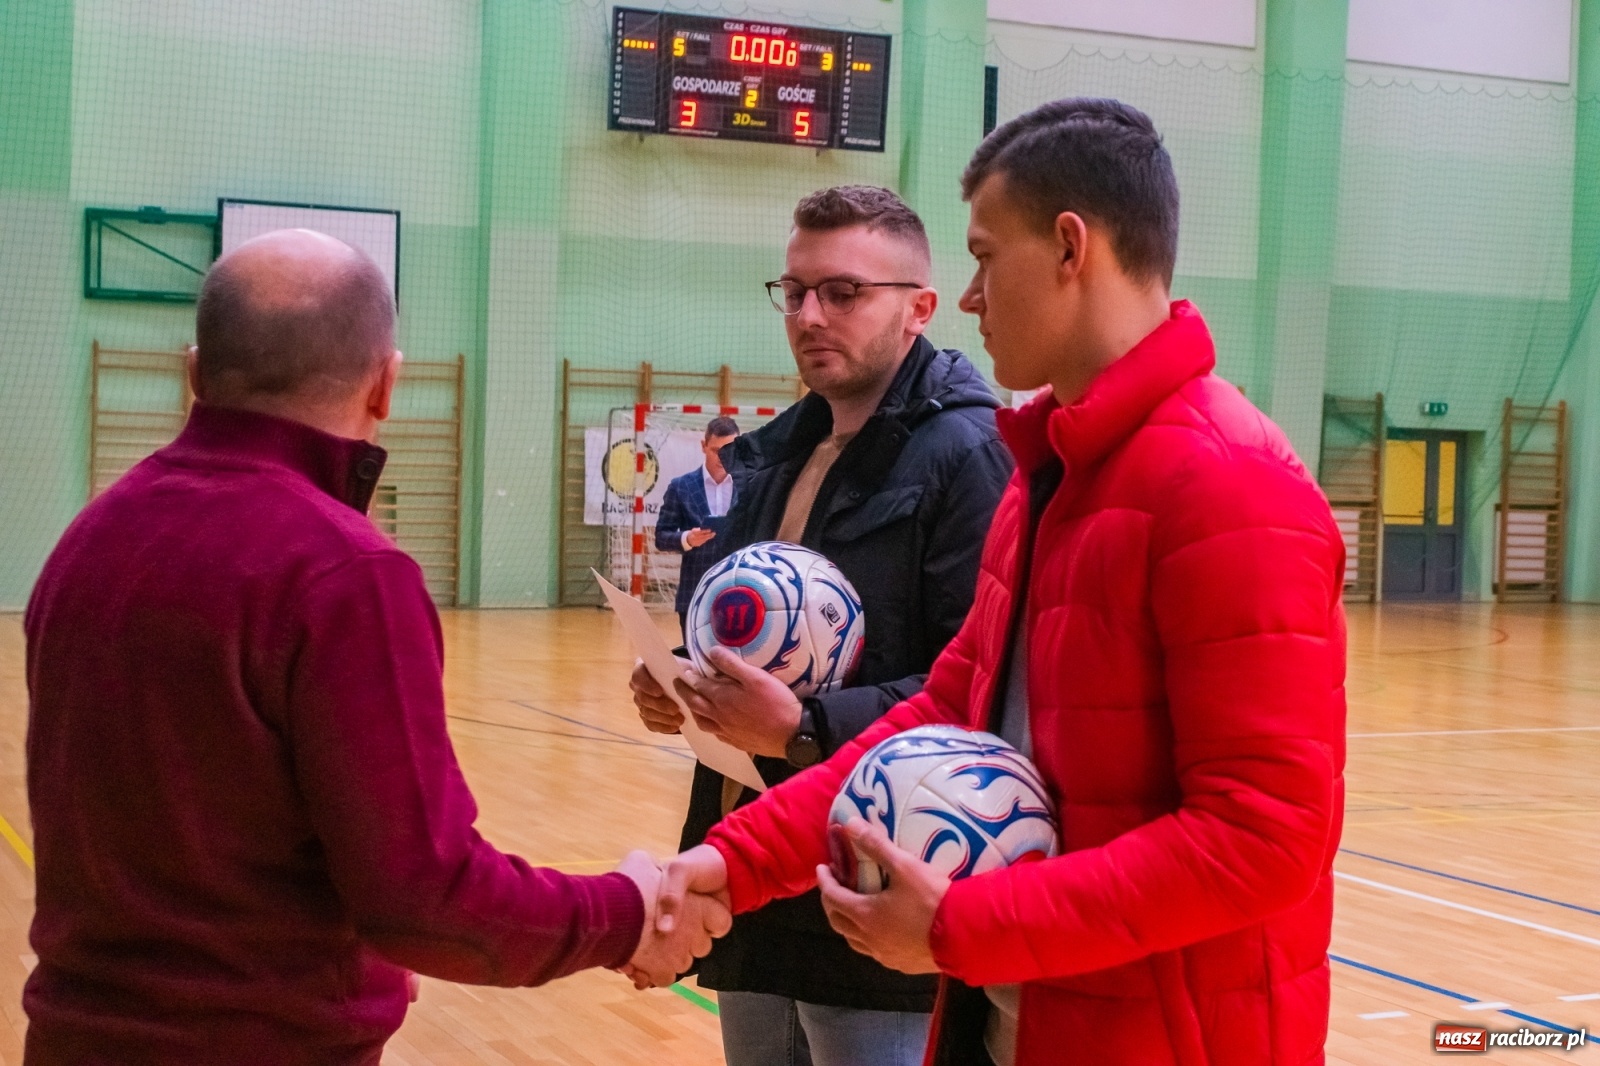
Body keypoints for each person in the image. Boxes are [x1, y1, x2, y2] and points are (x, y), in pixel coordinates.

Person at [657, 100, 1348, 1065]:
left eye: (985, 257)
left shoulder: (1229, 486)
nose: (971, 297)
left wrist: (962, 927)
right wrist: (729, 864)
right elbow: (943, 715)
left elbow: (1262, 841)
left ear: (1072, 247)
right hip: (1016, 1022)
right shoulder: (1050, 475)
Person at [23, 229, 728, 1065]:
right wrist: (627, 911)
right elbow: (425, 899)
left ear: (193, 371)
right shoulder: (344, 574)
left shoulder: (90, 539)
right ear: (388, 384)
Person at [629, 186, 1012, 1066]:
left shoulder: (969, 456)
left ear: (919, 308)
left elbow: (974, 694)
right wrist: (685, 684)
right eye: (794, 291)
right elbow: (763, 641)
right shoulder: (782, 451)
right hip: (753, 876)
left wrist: (805, 731)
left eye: (843, 292)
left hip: (872, 894)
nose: (809, 314)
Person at [656, 415, 740, 634]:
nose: (723, 456)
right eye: (716, 450)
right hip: (694, 594)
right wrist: (687, 539)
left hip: (741, 591)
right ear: (703, 446)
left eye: (729, 449)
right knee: (694, 664)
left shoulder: (749, 485)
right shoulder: (680, 487)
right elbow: (661, 537)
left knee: (734, 666)